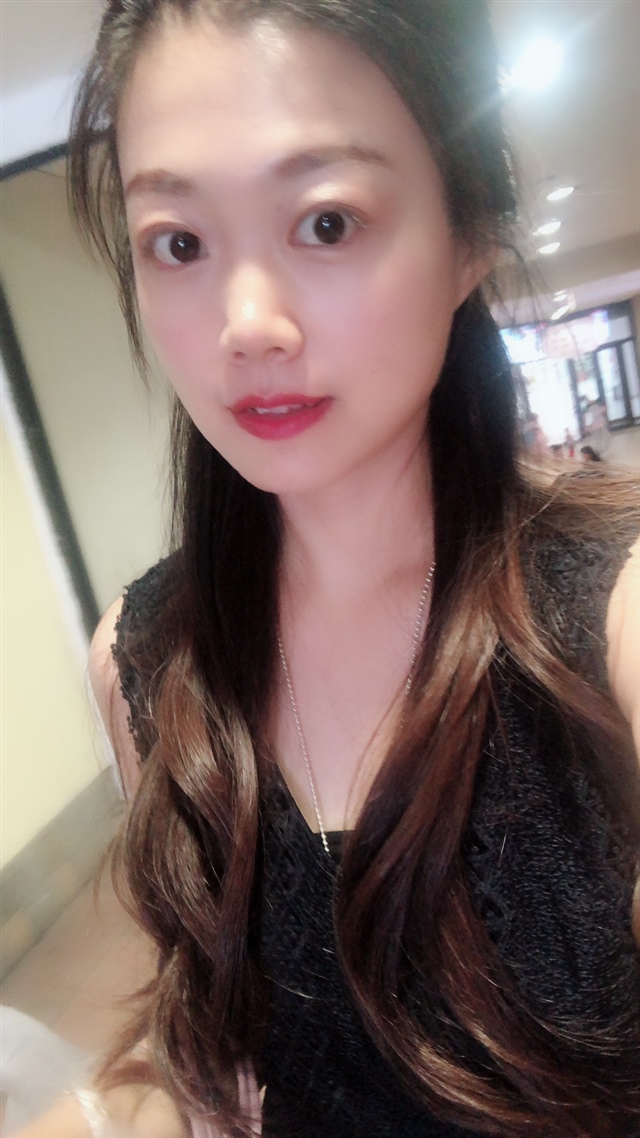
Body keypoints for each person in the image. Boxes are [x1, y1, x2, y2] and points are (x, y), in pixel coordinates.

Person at [14, 1, 640, 1136]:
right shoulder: (148, 663)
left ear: (468, 233)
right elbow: (217, 1046)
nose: (247, 324)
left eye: (328, 222)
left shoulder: (615, 617)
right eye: (180, 242)